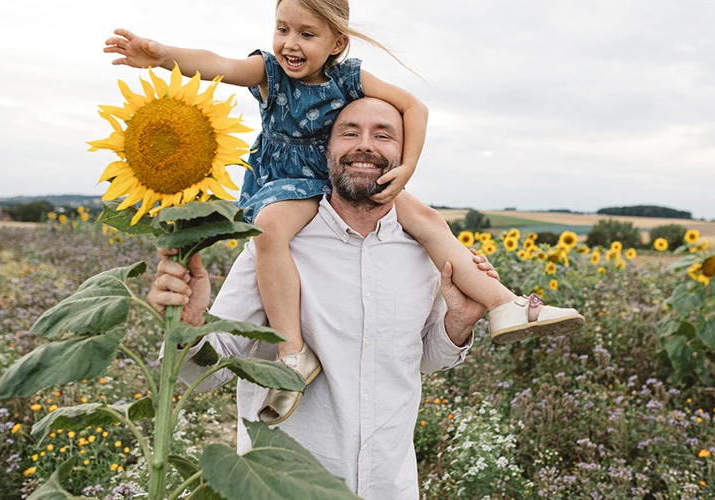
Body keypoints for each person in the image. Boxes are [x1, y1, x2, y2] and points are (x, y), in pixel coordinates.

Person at [106, 0, 584, 425]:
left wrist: (407, 169)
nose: (290, 44)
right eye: (282, 29)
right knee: (269, 231)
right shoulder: (269, 72)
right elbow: (219, 64)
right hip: (288, 183)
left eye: (306, 34)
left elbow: (415, 107)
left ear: (337, 41)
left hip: (336, 182)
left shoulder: (350, 79)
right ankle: (292, 352)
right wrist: (162, 55)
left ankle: (505, 305)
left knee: (430, 222)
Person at [148, 97, 503, 498]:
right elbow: (203, 372)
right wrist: (191, 326)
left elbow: (422, 359)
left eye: (383, 135)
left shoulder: (423, 252)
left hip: (390, 485)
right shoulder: (275, 246)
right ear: (327, 150)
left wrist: (459, 321)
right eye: (350, 132)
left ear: (404, 156)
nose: (365, 145)